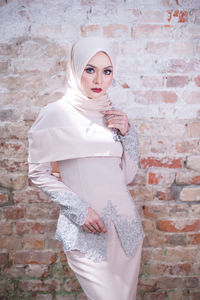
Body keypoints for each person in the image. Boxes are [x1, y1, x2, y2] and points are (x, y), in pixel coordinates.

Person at [28, 36, 145, 300]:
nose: (98, 80)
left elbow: (126, 175)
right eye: (90, 69)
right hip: (86, 230)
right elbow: (38, 173)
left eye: (107, 71)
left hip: (126, 229)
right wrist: (80, 211)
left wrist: (128, 133)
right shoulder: (55, 113)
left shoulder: (112, 114)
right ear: (76, 68)